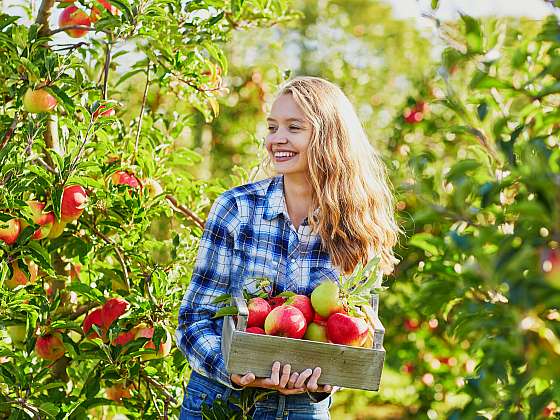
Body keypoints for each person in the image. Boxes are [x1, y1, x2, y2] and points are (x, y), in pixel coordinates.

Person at [176, 76, 401, 419]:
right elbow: (194, 319)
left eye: (294, 127)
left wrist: (326, 380)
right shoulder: (237, 210)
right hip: (221, 402)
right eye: (272, 127)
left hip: (302, 410)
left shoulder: (357, 226)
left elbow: (355, 336)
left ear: (328, 138)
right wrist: (232, 369)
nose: (276, 139)